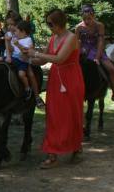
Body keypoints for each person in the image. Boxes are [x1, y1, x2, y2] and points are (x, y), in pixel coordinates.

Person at [26, 9, 85, 169]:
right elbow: (42, 60)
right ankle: (52, 154)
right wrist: (29, 57)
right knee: (53, 115)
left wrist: (36, 53)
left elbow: (59, 59)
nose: (49, 27)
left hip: (70, 79)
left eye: (51, 24)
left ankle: (76, 147)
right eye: (48, 24)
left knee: (72, 114)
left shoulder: (71, 38)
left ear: (59, 22)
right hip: (55, 80)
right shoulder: (53, 38)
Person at [75, 4, 114, 105]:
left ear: (93, 16)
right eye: (85, 19)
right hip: (83, 50)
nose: (87, 21)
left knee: (112, 69)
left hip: (97, 49)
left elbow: (101, 42)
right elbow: (77, 43)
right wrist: (77, 55)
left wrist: (97, 57)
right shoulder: (78, 28)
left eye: (89, 18)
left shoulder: (99, 26)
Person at [9, 21, 45, 109]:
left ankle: (36, 96)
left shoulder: (28, 40)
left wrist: (18, 45)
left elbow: (27, 52)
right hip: (15, 58)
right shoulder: (14, 38)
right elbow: (11, 49)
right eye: (9, 25)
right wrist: (8, 42)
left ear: (23, 32)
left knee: (31, 75)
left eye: (14, 27)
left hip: (25, 60)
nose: (12, 28)